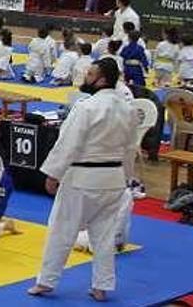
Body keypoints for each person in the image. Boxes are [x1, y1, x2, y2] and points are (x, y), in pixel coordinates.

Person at [29, 59, 136, 301]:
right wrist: (126, 178)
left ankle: (46, 282)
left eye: (90, 73)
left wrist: (53, 173)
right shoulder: (129, 109)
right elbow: (131, 148)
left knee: (61, 231)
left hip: (82, 178)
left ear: (102, 80)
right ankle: (102, 286)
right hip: (113, 179)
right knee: (105, 237)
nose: (85, 76)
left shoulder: (86, 107)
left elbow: (68, 143)